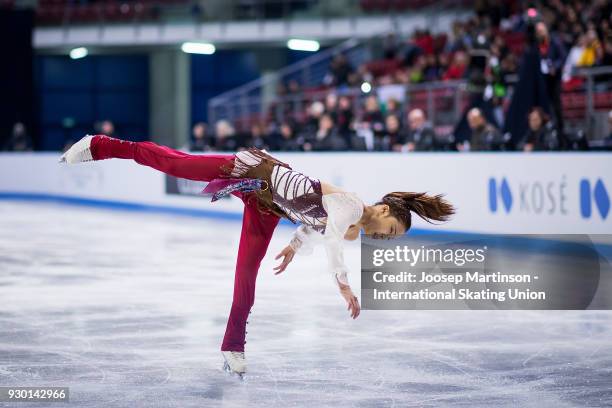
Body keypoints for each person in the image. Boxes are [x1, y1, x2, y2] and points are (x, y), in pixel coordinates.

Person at [59, 134, 455, 377]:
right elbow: (331, 237)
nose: (383, 239)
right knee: (176, 163)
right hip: (254, 173)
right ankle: (100, 145)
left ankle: (233, 347)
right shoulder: (351, 207)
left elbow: (314, 227)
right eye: (389, 232)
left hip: (268, 208)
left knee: (246, 275)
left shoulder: (352, 228)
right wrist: (345, 287)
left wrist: (294, 246)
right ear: (384, 212)